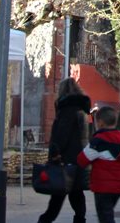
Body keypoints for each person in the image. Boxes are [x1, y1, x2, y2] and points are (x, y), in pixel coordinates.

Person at [38, 78, 91, 223]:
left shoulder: (67, 109)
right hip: (79, 157)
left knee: (58, 192)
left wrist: (55, 152)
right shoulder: (82, 110)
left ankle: (45, 220)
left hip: (65, 159)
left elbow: (62, 134)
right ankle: (79, 219)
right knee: (76, 193)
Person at [76, 106, 120, 223]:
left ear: (100, 123)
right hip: (118, 186)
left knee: (105, 217)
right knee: (108, 213)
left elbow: (82, 159)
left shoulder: (98, 141)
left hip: (103, 186)